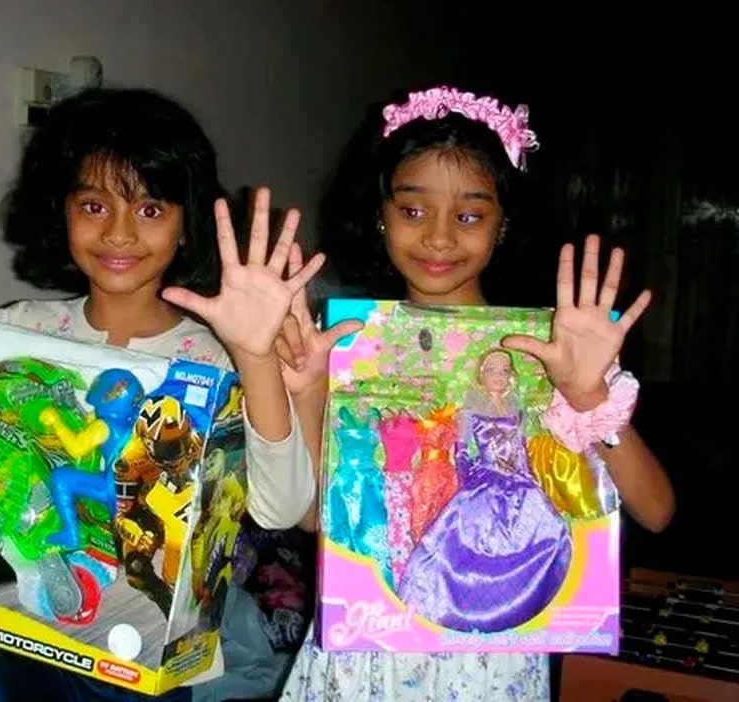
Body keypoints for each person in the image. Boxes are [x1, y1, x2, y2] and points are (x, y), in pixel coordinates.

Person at [0, 87, 319, 701]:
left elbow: (281, 507)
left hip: (142, 660)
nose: (120, 233)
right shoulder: (18, 331)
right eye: (94, 205)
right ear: (62, 211)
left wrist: (255, 357)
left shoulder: (215, 360)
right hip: (13, 637)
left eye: (150, 209)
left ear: (187, 225)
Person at [270, 85, 676, 700]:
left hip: (495, 661)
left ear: (503, 223)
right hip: (364, 656)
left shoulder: (556, 349)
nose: (438, 239)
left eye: (468, 216)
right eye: (413, 211)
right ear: (380, 213)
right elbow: (311, 517)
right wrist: (307, 388)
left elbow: (656, 510)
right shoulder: (347, 344)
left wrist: (589, 398)